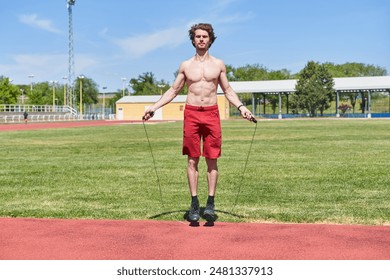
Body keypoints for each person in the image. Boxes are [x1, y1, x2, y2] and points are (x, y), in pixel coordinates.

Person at [143, 23, 254, 223]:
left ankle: (210, 203)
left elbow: (228, 90)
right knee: (192, 159)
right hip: (192, 114)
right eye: (198, 36)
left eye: (205, 36)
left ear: (210, 40)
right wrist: (154, 107)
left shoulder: (218, 64)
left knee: (212, 159)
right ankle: (194, 203)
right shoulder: (185, 65)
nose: (201, 39)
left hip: (211, 114)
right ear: (193, 40)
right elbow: (173, 90)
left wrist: (242, 107)